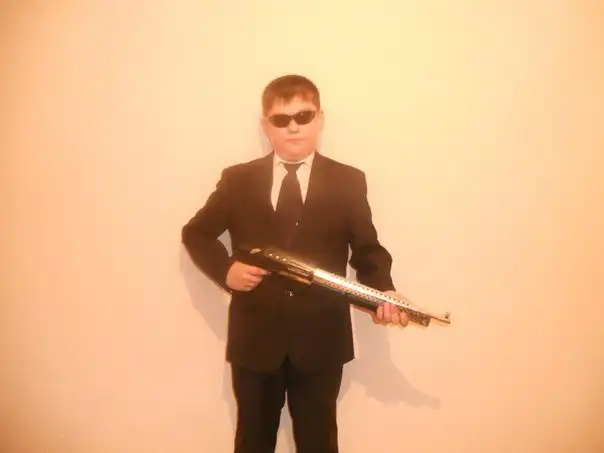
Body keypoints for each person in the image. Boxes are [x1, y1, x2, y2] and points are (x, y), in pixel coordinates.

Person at [181, 74, 409, 453]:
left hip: (322, 340)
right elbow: (196, 233)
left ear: (320, 118)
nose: (293, 127)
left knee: (319, 444)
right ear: (266, 125)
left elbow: (367, 251)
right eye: (281, 119)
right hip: (255, 341)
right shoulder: (238, 180)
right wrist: (226, 271)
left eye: (303, 116)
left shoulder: (348, 181)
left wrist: (383, 293)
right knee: (252, 442)